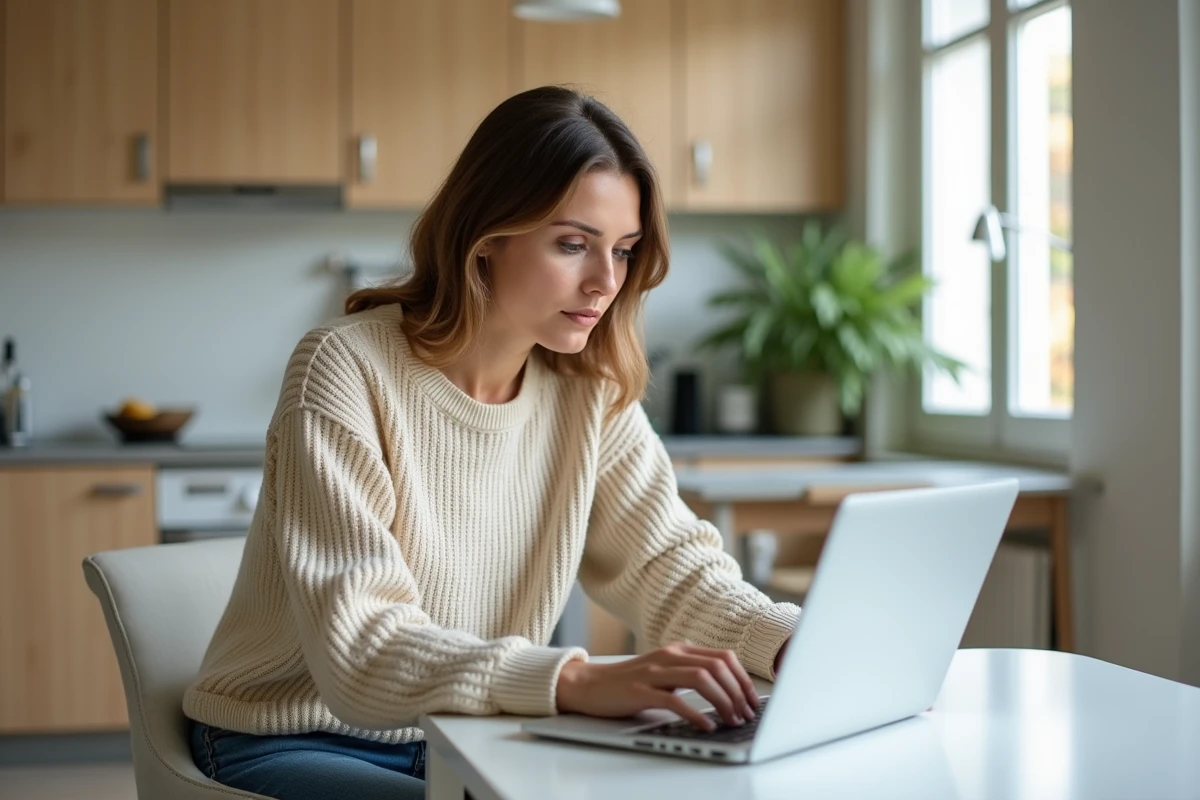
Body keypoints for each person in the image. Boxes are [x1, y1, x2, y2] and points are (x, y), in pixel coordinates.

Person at [183, 85, 799, 800]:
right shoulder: (345, 368)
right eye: (573, 244)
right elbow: (363, 648)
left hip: (472, 737)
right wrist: (571, 679)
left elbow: (670, 567)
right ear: (486, 238)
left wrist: (789, 642)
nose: (605, 282)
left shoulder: (586, 389)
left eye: (624, 251)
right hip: (289, 739)